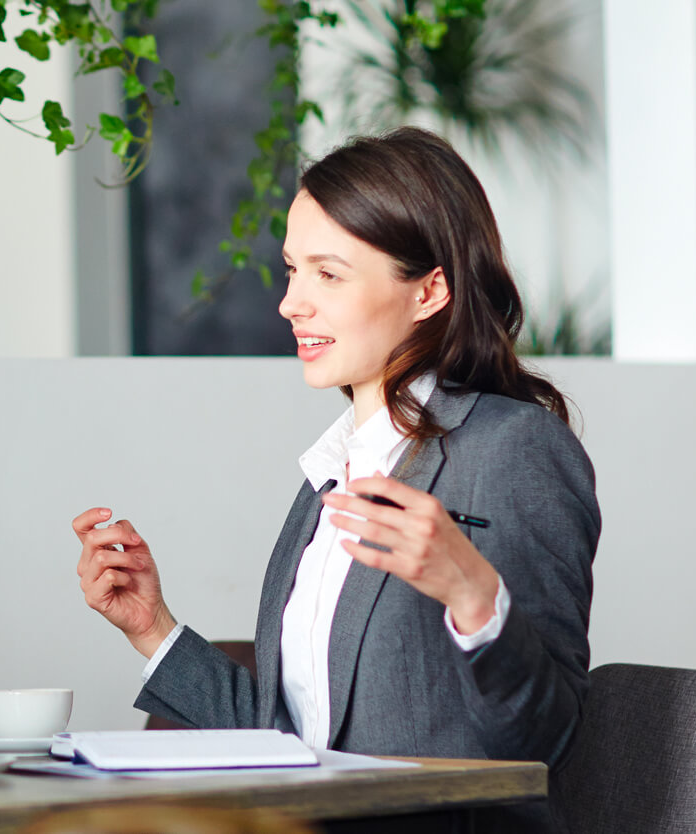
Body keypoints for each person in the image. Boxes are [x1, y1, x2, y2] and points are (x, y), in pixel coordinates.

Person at [71, 127, 598, 832]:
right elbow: (290, 742)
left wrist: (473, 594)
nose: (292, 302)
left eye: (328, 273)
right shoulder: (332, 470)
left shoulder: (515, 448)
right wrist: (153, 628)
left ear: (429, 290)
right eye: (292, 271)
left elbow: (548, 740)